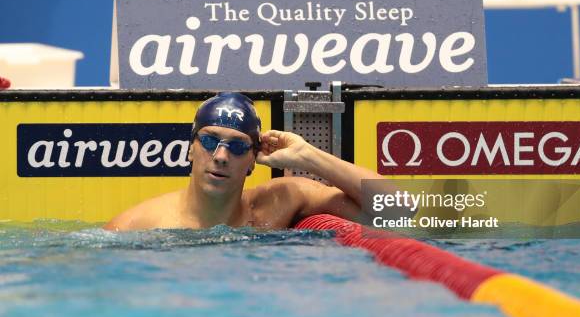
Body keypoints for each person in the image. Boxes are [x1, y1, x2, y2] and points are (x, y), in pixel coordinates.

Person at [104, 92, 384, 231]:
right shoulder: (135, 226)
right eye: (210, 141)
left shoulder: (280, 202)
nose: (221, 157)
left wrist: (308, 157)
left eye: (237, 147)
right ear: (191, 149)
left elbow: (397, 209)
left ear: (253, 160)